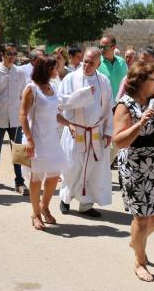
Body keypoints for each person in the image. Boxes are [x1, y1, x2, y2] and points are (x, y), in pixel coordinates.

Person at [113, 61, 154, 282]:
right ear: (140, 81)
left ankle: (136, 240)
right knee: (141, 218)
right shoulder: (125, 105)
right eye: (153, 79)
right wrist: (139, 124)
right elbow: (119, 141)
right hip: (135, 166)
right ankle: (139, 261)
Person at [58, 47, 114, 217]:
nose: (87, 65)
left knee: (92, 168)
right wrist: (83, 96)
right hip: (76, 130)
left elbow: (108, 108)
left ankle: (86, 204)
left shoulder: (103, 81)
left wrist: (108, 131)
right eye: (86, 61)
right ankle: (65, 199)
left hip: (95, 131)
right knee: (72, 166)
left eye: (91, 63)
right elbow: (61, 102)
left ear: (98, 64)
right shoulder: (70, 78)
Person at [19, 56, 72, 230]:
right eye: (55, 68)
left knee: (54, 176)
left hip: (51, 139)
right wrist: (29, 139)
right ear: (48, 70)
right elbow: (23, 115)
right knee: (36, 179)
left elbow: (54, 114)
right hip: (36, 139)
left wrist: (70, 124)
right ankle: (35, 214)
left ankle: (45, 206)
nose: (58, 70)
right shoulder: (31, 88)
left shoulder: (53, 87)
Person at [0, 42, 28, 194]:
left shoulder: (20, 72)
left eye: (15, 54)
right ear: (2, 54)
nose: (13, 57)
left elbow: (23, 95)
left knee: (18, 151)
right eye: (9, 53)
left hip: (15, 118)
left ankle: (20, 182)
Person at [98, 35, 127, 100]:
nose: (102, 50)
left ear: (113, 47)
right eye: (100, 47)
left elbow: (126, 82)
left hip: (120, 104)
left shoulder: (122, 62)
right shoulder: (97, 63)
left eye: (105, 47)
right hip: (103, 105)